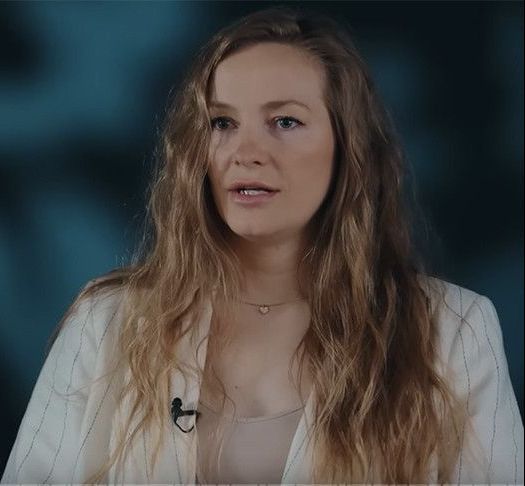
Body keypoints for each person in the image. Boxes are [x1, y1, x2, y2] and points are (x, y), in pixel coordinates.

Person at [2, 5, 523, 484]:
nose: (245, 151)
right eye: (222, 123)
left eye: (285, 121)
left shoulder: (452, 332)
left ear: (349, 148)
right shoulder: (106, 324)